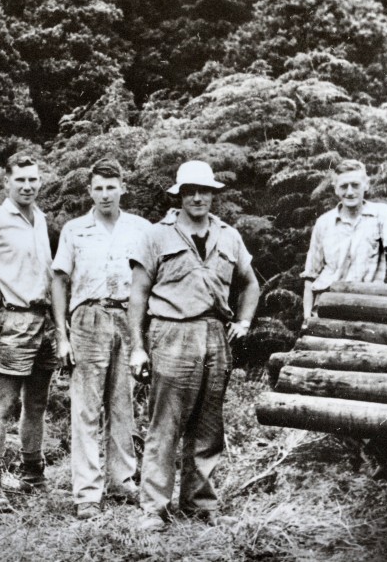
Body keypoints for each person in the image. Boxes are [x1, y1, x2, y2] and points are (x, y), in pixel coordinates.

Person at [128, 160, 260, 531]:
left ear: (213, 195)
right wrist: (138, 347)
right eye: (190, 191)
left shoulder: (229, 235)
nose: (198, 197)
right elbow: (137, 295)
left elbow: (250, 282)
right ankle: (153, 508)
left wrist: (244, 321)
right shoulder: (157, 235)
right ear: (179, 195)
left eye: (204, 191)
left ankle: (199, 503)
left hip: (215, 335)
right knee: (165, 423)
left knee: (208, 425)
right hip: (171, 331)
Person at [51, 158, 151, 520]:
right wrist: (62, 336)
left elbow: (150, 279)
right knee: (86, 408)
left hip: (128, 317)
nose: (105, 194)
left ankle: (123, 480)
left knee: (123, 405)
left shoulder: (141, 228)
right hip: (88, 318)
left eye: (111, 187)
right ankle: (87, 493)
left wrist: (143, 334)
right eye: (98, 188)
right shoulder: (75, 230)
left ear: (122, 187)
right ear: (90, 191)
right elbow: (59, 281)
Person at [0, 154, 57, 512]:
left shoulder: (40, 217)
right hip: (10, 320)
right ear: (7, 182)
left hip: (42, 319)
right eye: (21, 180)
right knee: (2, 403)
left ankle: (33, 472)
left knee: (37, 402)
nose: (28, 186)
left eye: (33, 179)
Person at [302, 159, 387, 319]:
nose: (350, 192)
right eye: (343, 186)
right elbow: (310, 275)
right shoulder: (324, 223)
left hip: (367, 305)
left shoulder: (381, 213)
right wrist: (306, 319)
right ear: (335, 189)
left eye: (355, 185)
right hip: (327, 308)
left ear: (366, 185)